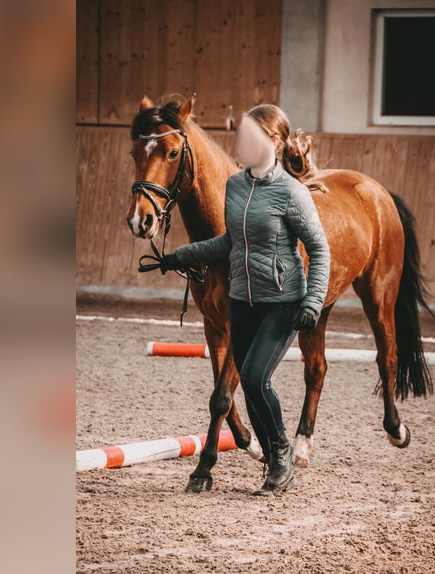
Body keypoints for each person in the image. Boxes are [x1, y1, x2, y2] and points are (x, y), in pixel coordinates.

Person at [160, 104, 331, 495]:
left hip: (283, 300)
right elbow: (229, 241)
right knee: (253, 387)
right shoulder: (235, 187)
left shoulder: (292, 192)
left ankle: (282, 450)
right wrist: (181, 255)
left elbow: (319, 249)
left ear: (272, 142)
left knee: (254, 378)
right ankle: (275, 462)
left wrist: (312, 301)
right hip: (242, 299)